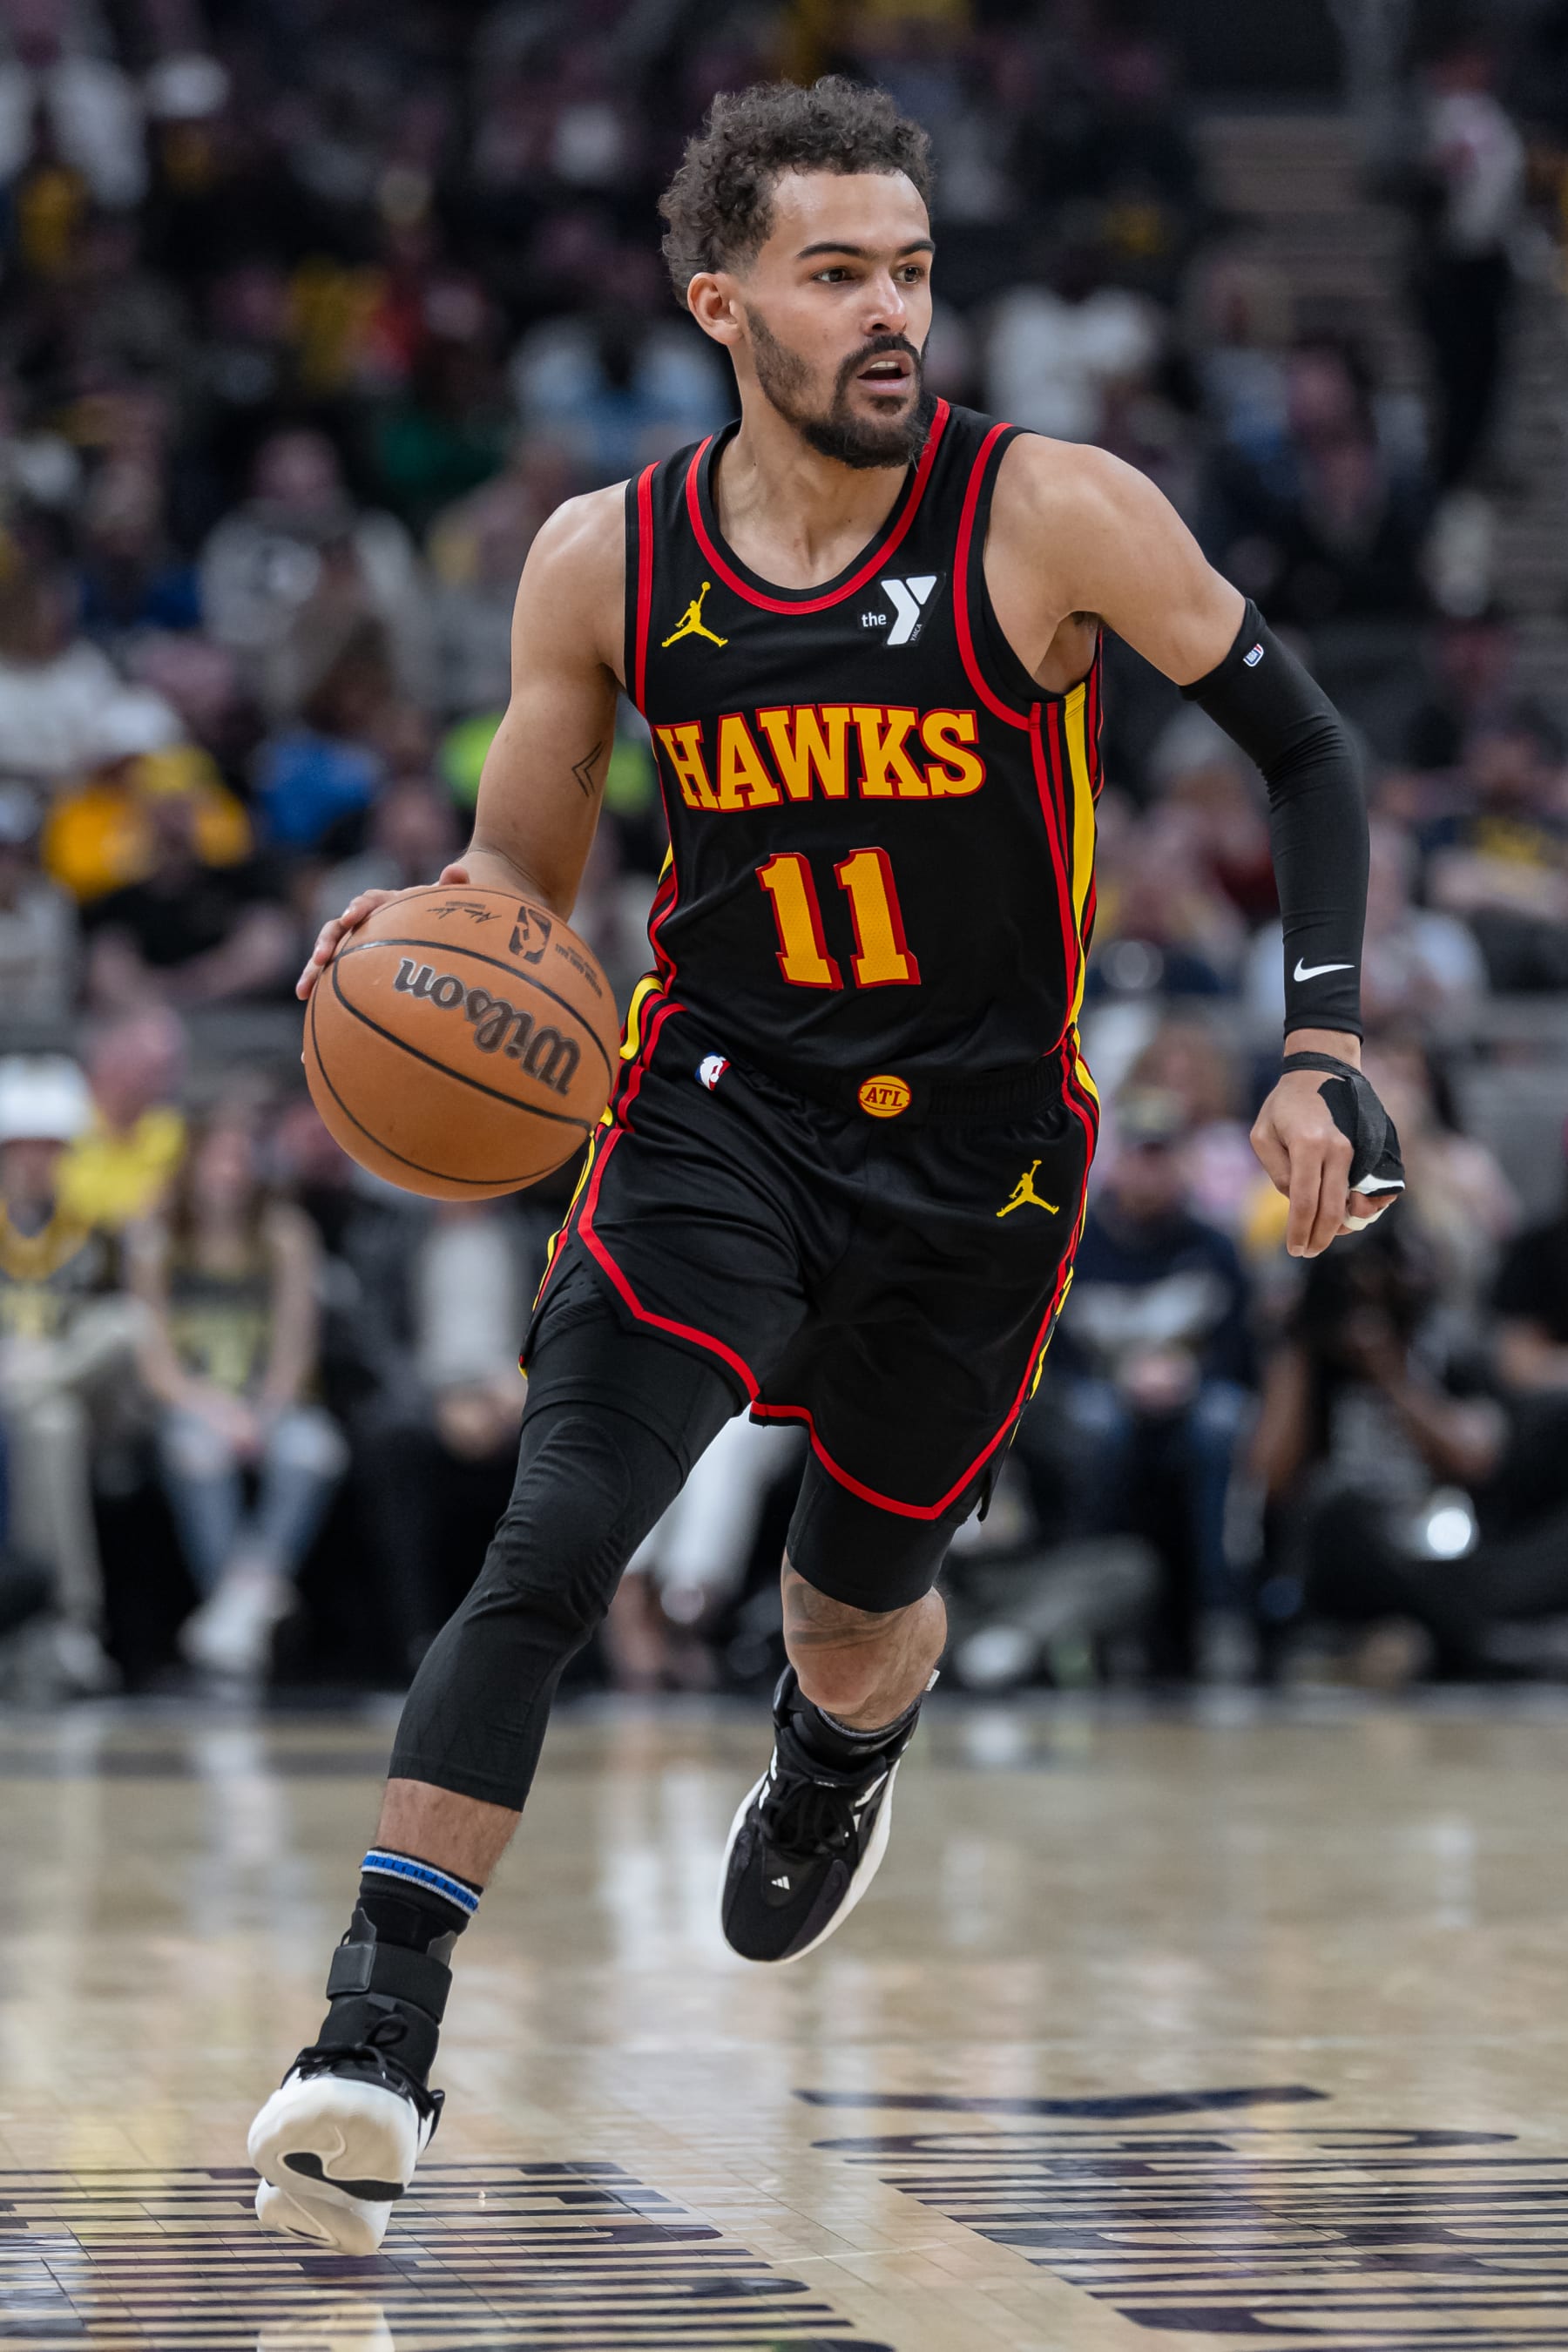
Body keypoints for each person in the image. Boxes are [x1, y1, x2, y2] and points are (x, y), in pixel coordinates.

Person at [249, 77, 1402, 2254]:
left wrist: (1320, 1043)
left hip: (979, 1158)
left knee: (854, 1612)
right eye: (837, 273)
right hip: (717, 1111)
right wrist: (421, 929)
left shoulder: (1047, 509)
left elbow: (1309, 740)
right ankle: (372, 2028)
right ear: (722, 301)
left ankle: (837, 1753)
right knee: (559, 1528)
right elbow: (521, 864)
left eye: (913, 270)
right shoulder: (610, 555)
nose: (893, 312)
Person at [1030, 1086, 1254, 1673]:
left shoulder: (1213, 1248)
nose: (1150, 1169)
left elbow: (1241, 1351)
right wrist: (1125, 1375)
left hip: (1194, 1397)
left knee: (1221, 1425)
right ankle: (1094, 1611)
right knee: (1096, 1426)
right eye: (1140, 1153)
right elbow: (1051, 1352)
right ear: (1118, 1159)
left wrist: (1192, 1372)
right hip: (1101, 1394)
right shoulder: (1076, 1243)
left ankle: (1219, 1610)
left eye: (1163, 1154)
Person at [126, 1112, 348, 1679]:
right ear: (192, 1165)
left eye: (240, 1159)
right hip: (194, 1405)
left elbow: (296, 1349)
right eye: (217, 1158)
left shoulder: (285, 1235)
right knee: (197, 1455)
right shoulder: (155, 1240)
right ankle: (246, 1610)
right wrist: (216, 1412)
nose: (230, 1172)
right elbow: (156, 1365)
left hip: (274, 1404)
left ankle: (230, 1615)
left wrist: (263, 1414)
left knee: (313, 1452)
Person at [0, 1055, 141, 1695]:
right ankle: (68, 1623)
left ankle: (33, 1387)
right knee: (49, 1423)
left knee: (122, 1326)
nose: (34, 1162)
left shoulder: (96, 1229)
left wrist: (40, 1369)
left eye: (47, 1148)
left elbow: (118, 1335)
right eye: (22, 1148)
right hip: (36, 1416)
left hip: (91, 1403)